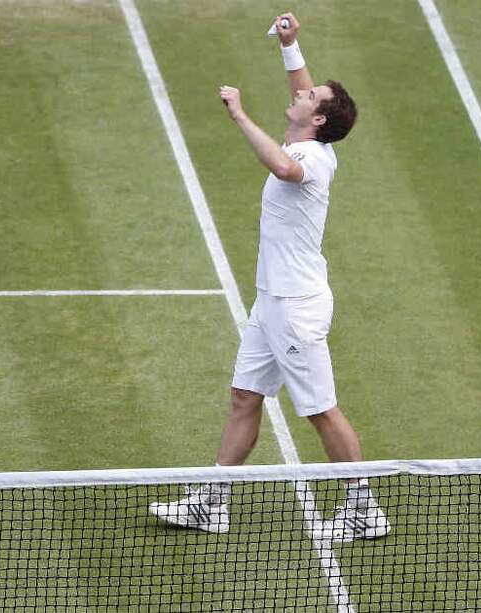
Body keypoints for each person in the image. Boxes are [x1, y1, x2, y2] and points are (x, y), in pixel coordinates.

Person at [149, 13, 388, 542]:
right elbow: (305, 94)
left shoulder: (309, 159)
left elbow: (282, 168)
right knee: (244, 396)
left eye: (311, 96)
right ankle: (212, 502)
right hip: (271, 302)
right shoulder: (315, 138)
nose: (301, 92)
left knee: (320, 410)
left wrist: (239, 115)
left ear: (317, 119)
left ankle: (364, 510)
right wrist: (290, 45)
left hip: (296, 309)